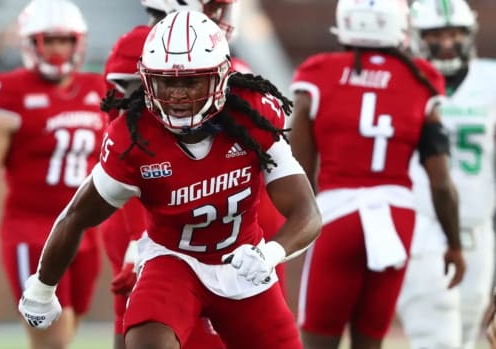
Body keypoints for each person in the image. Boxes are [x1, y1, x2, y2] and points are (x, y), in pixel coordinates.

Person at [18, 10, 321, 349]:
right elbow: (76, 216)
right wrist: (42, 288)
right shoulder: (134, 138)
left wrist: (270, 254)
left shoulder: (253, 114)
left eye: (190, 81)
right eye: (167, 82)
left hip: (240, 261)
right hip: (173, 262)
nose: (177, 95)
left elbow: (306, 212)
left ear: (220, 78)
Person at [102, 1, 285, 349]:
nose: (221, 17)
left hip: (231, 215)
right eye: (213, 6)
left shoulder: (225, 60)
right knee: (145, 320)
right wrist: (136, 237)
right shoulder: (139, 49)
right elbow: (128, 155)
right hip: (158, 214)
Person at [288, 0, 463, 348]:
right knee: (370, 342)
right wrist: (455, 244)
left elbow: (297, 168)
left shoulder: (318, 73)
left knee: (317, 340)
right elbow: (441, 183)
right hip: (396, 220)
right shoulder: (421, 77)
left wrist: (293, 222)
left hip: (337, 216)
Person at [0, 1, 108, 348]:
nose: (56, 49)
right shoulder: (8, 92)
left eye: (64, 40)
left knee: (68, 332)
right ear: (29, 43)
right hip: (31, 233)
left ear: (78, 42)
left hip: (85, 234)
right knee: (52, 343)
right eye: (48, 40)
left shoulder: (99, 89)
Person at [397, 1, 495, 348]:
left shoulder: (491, 81)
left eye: (455, 33)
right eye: (436, 34)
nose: (448, 43)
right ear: (416, 37)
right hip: (422, 223)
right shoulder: (403, 81)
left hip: (477, 229)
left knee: (469, 336)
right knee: (435, 337)